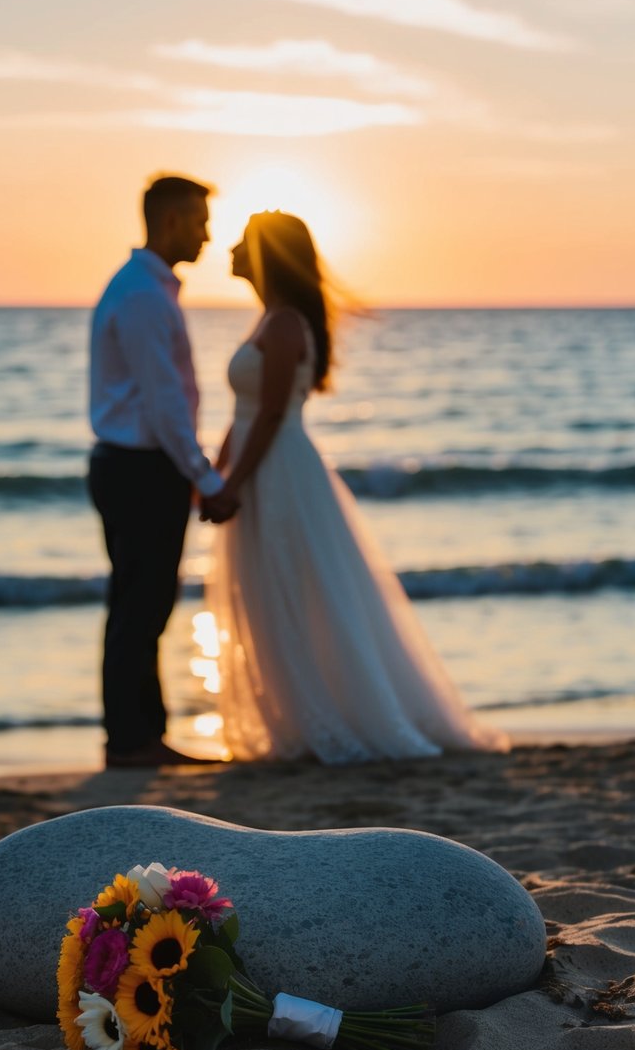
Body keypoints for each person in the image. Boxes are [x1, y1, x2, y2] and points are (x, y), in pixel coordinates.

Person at [206, 210, 510, 763]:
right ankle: (293, 721)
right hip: (261, 465)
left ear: (264, 254)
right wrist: (214, 474)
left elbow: (271, 414)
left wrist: (233, 482)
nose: (230, 249)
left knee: (292, 589)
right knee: (270, 590)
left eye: (242, 241)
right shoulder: (270, 319)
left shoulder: (282, 324)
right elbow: (244, 414)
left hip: (279, 472)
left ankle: (315, 720)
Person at [88, 175, 238, 767]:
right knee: (142, 606)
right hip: (141, 470)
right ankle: (132, 740)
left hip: (128, 466)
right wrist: (205, 477)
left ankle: (138, 735)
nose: (206, 234)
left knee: (137, 603)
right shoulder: (146, 297)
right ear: (172, 220)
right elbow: (164, 402)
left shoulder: (137, 288)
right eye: (200, 221)